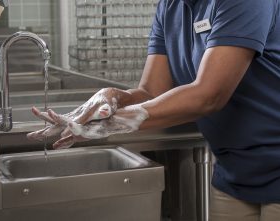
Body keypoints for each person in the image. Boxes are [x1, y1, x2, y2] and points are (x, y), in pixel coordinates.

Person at [28, 0, 280, 220]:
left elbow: (209, 95)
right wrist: (112, 97)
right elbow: (151, 91)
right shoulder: (170, 7)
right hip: (233, 172)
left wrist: (116, 121)